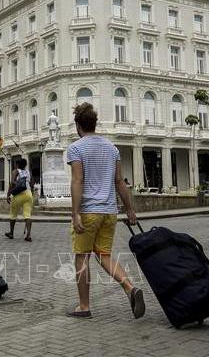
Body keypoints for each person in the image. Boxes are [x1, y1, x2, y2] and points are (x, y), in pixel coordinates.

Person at [66, 102, 144, 319]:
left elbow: (77, 180)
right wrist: (129, 210)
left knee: (82, 258)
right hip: (110, 212)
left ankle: (84, 306)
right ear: (95, 123)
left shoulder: (76, 148)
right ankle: (129, 287)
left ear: (78, 125)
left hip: (89, 212)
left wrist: (75, 213)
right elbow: (120, 181)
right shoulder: (112, 147)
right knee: (104, 255)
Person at [5, 158, 34, 242]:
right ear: (25, 165)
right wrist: (31, 194)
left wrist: (8, 194)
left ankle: (11, 233)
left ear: (17, 164)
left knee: (13, 214)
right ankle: (28, 235)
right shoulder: (29, 172)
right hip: (28, 194)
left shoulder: (15, 171)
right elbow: (32, 185)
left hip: (18, 194)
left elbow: (12, 183)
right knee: (27, 215)